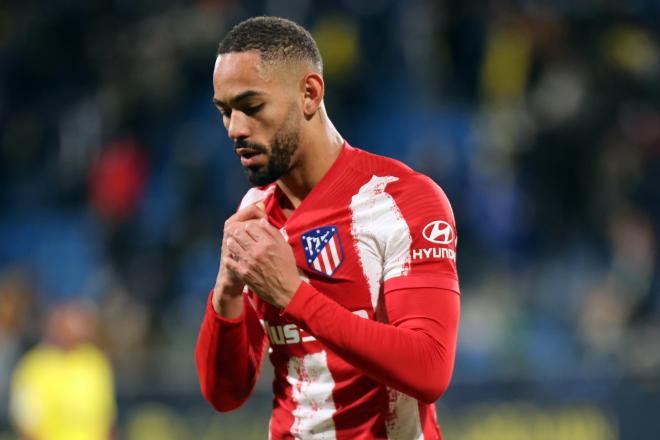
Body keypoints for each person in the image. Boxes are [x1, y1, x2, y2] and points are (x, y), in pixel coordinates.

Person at [195, 16, 460, 439]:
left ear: (310, 93)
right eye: (225, 112)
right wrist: (225, 292)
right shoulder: (256, 212)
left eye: (252, 107)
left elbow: (430, 368)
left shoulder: (400, 201)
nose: (235, 129)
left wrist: (293, 296)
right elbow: (225, 394)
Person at [10, 300, 116, 440]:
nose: (77, 328)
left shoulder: (96, 362)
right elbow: (26, 426)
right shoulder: (32, 368)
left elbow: (107, 421)